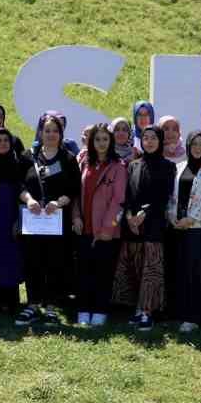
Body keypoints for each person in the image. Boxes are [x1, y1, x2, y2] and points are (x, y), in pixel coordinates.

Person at [17, 113, 79, 327]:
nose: (51, 134)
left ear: (61, 134)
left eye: (55, 131)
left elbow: (74, 188)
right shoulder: (28, 156)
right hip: (33, 219)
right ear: (40, 133)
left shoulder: (68, 158)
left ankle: (51, 307)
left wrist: (58, 203)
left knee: (55, 262)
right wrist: (29, 199)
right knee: (33, 261)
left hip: (56, 219)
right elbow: (20, 186)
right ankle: (33, 305)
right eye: (47, 130)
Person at [115, 123, 172, 331]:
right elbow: (127, 194)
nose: (149, 142)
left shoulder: (168, 166)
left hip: (153, 224)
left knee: (151, 269)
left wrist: (144, 213)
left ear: (160, 141)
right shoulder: (133, 164)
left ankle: (148, 311)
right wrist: (130, 214)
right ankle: (138, 309)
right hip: (133, 225)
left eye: (153, 138)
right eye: (146, 138)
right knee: (137, 267)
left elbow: (163, 197)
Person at [168, 131, 201, 332]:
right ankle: (181, 312)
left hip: (199, 228)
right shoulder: (179, 167)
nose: (197, 148)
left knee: (197, 273)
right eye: (194, 144)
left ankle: (195, 316)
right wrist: (172, 217)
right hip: (179, 227)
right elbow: (173, 197)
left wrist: (192, 218)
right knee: (181, 271)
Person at [75, 122, 126, 328]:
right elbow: (76, 194)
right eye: (97, 139)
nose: (101, 143)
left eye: (105, 139)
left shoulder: (118, 167)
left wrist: (108, 229)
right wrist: (76, 217)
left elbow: (119, 201)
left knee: (103, 274)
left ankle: (100, 310)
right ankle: (83, 309)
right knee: (84, 272)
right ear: (91, 141)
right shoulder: (84, 163)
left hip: (106, 233)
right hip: (83, 228)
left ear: (111, 141)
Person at [0, 128, 27, 313]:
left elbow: (21, 194)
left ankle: (12, 301)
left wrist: (18, 220)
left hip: (10, 219)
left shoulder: (17, 164)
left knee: (11, 259)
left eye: (6, 140)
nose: (2, 143)